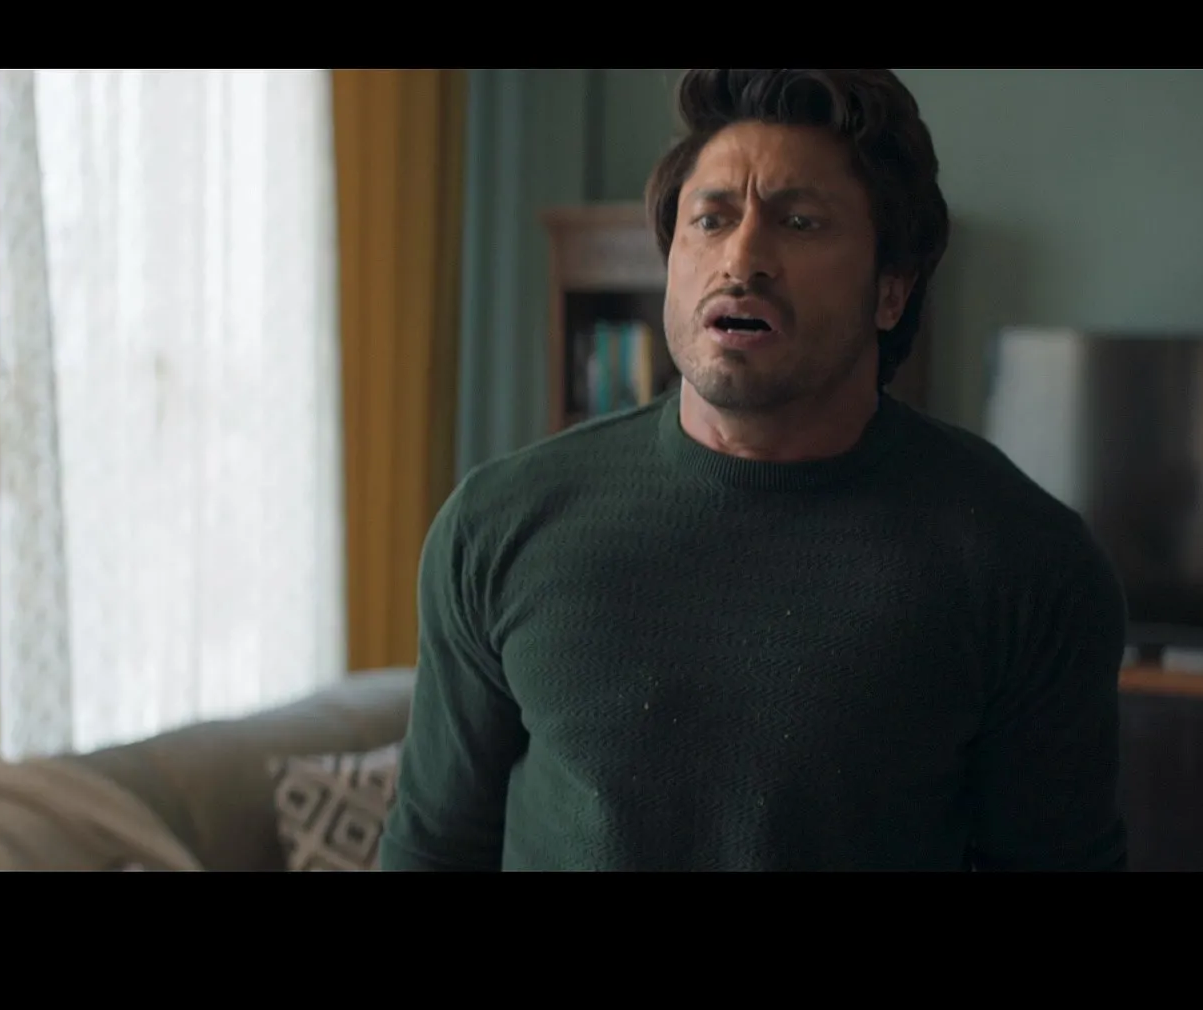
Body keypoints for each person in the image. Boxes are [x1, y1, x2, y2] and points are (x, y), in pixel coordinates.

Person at [378, 69, 1129, 871]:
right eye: (711, 220)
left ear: (891, 291)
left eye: (800, 222)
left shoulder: (1023, 561)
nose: (742, 258)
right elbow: (433, 850)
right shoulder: (498, 525)